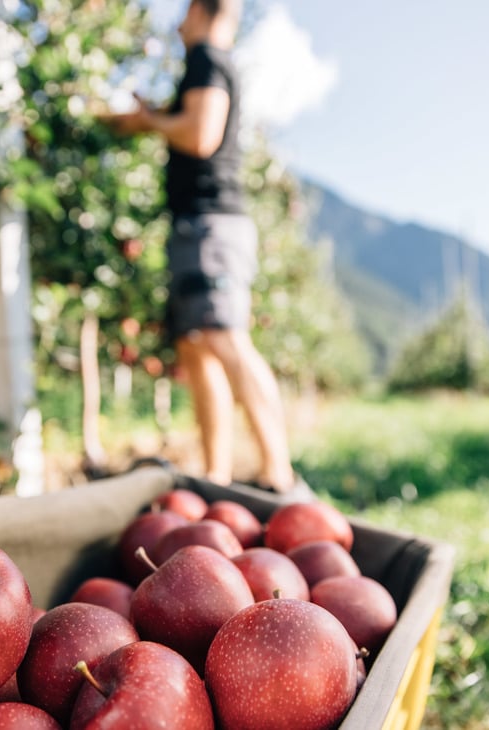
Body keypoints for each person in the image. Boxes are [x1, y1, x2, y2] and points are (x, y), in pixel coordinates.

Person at [101, 0, 313, 497]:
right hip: (200, 225)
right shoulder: (209, 63)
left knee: (223, 336)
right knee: (196, 345)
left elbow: (200, 135)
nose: (177, 23)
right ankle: (217, 474)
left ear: (202, 11)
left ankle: (279, 474)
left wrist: (152, 121)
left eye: (184, 12)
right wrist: (151, 116)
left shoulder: (206, 59)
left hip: (210, 224)